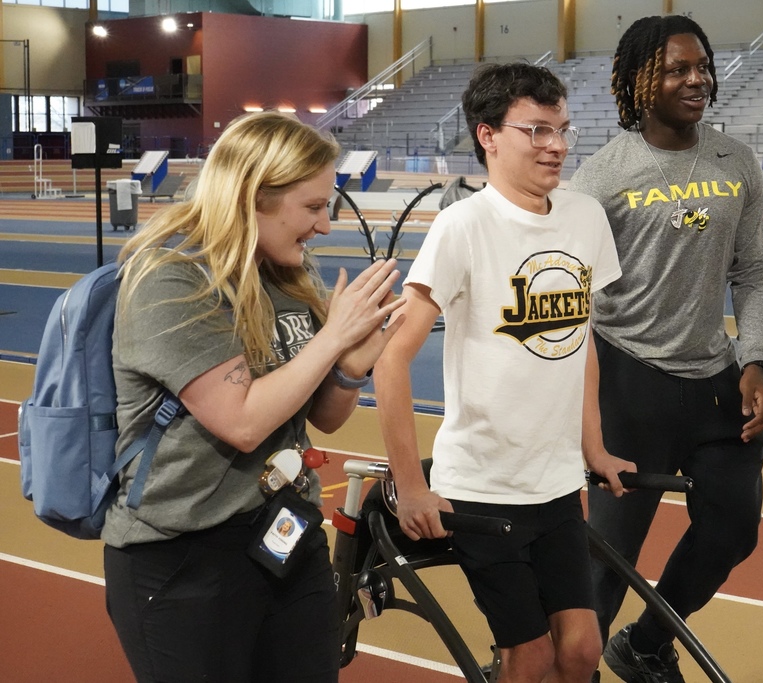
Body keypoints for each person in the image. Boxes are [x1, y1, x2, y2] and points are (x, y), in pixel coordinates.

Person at [103, 111, 407, 683]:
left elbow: (322, 418)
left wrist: (350, 369)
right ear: (253, 196)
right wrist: (334, 337)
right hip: (184, 556)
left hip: (286, 537)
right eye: (313, 207)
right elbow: (240, 422)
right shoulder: (173, 279)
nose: (325, 226)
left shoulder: (289, 274)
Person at [374, 62, 634, 683]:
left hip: (555, 486)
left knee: (580, 651)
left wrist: (592, 446)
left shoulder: (584, 218)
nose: (558, 146)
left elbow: (580, 341)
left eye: (564, 129)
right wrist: (410, 486)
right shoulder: (463, 226)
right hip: (482, 490)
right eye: (538, 130)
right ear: (488, 135)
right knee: (530, 656)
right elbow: (390, 359)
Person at [569, 15, 763, 683]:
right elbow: (567, 297)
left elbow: (753, 270)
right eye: (676, 70)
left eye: (701, 66)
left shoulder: (734, 160)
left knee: (733, 527)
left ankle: (649, 641)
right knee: (608, 559)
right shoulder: (600, 178)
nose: (696, 80)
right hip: (630, 382)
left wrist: (755, 361)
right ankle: (575, 670)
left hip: (716, 382)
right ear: (637, 83)